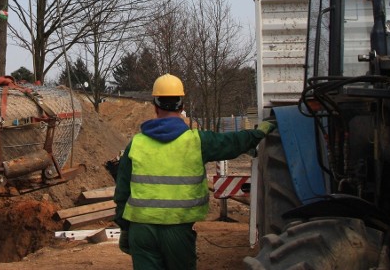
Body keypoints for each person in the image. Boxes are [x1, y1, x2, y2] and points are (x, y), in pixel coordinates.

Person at [113, 74, 275, 270]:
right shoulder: (198, 141)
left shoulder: (136, 144)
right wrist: (258, 133)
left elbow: (122, 191)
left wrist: (124, 228)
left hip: (141, 231)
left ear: (154, 105)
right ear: (182, 106)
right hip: (178, 230)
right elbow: (232, 143)